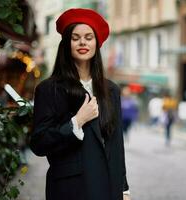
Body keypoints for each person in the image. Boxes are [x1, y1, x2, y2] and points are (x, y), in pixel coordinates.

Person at [30, 8, 130, 200]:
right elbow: (38, 143)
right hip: (69, 190)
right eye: (75, 38)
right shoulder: (48, 89)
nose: (82, 42)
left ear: (96, 44)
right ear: (67, 43)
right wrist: (76, 122)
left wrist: (124, 189)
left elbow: (116, 145)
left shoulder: (111, 90)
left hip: (107, 187)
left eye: (88, 37)